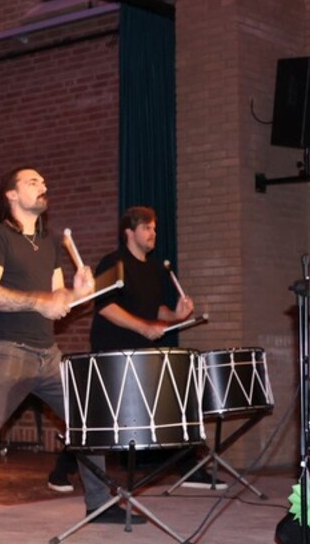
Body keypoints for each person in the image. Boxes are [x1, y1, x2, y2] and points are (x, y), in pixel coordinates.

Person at [0, 166, 145, 540]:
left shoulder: (49, 243)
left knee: (87, 422)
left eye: (43, 181)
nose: (43, 185)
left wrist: (79, 291)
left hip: (47, 355)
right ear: (11, 194)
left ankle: (99, 504)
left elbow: (58, 301)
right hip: (8, 353)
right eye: (33, 181)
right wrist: (40, 301)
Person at [46, 205, 221, 489]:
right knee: (100, 417)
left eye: (154, 228)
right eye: (146, 228)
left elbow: (155, 310)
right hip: (112, 351)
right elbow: (104, 306)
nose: (153, 233)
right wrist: (143, 327)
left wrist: (176, 315)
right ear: (129, 232)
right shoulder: (113, 263)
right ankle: (61, 470)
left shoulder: (154, 269)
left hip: (142, 352)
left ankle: (188, 466)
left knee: (165, 406)